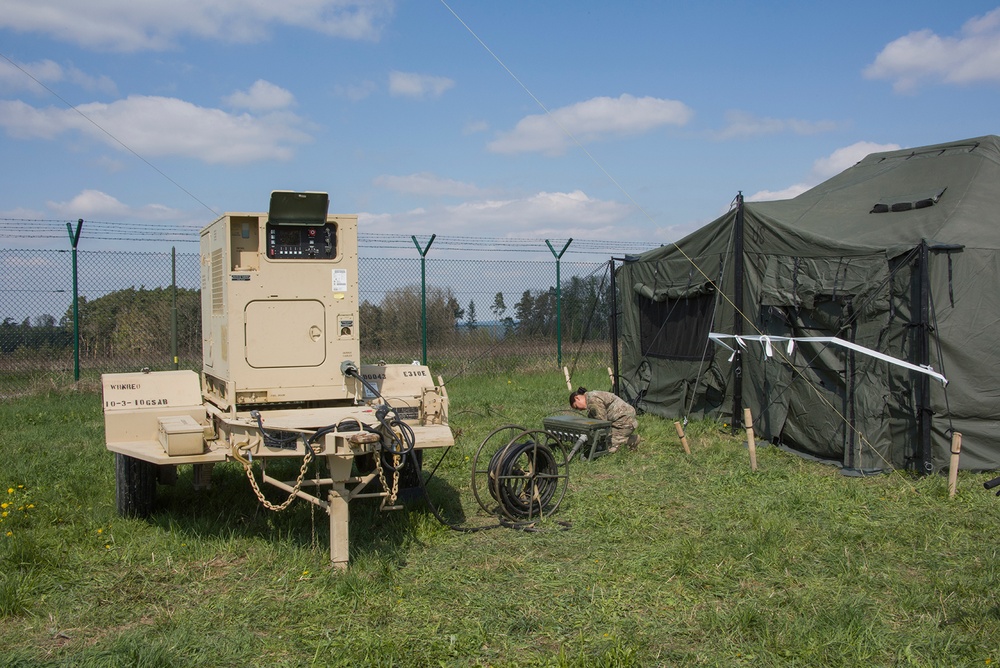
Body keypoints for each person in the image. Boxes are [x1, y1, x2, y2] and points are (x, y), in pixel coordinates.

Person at [569, 386, 639, 453]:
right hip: (619, 419)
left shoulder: (592, 400)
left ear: (577, 398)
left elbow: (602, 423)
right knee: (603, 444)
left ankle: (632, 440)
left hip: (624, 419)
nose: (579, 410)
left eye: (576, 407)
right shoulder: (590, 399)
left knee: (608, 448)